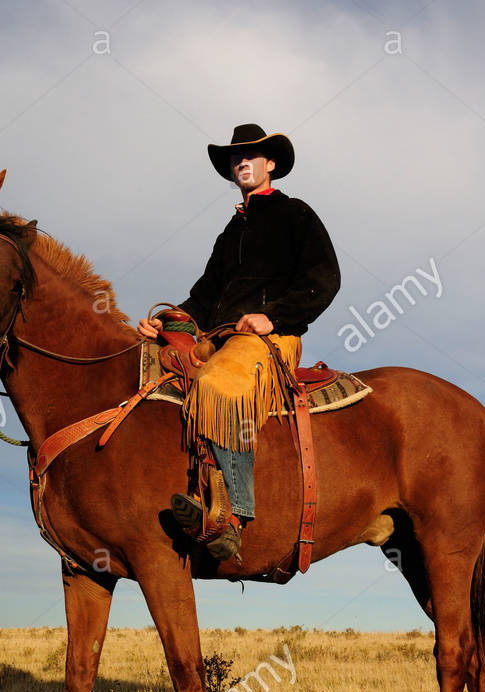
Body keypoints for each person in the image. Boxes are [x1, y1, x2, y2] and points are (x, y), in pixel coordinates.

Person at [138, 124, 340, 560]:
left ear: (271, 164)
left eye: (251, 155)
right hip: (218, 337)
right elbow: (204, 297)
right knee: (152, 369)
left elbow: (324, 278)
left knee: (218, 386)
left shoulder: (296, 214)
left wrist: (274, 317)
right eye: (235, 158)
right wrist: (169, 323)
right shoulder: (230, 232)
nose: (242, 162)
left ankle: (231, 518)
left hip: (269, 340)